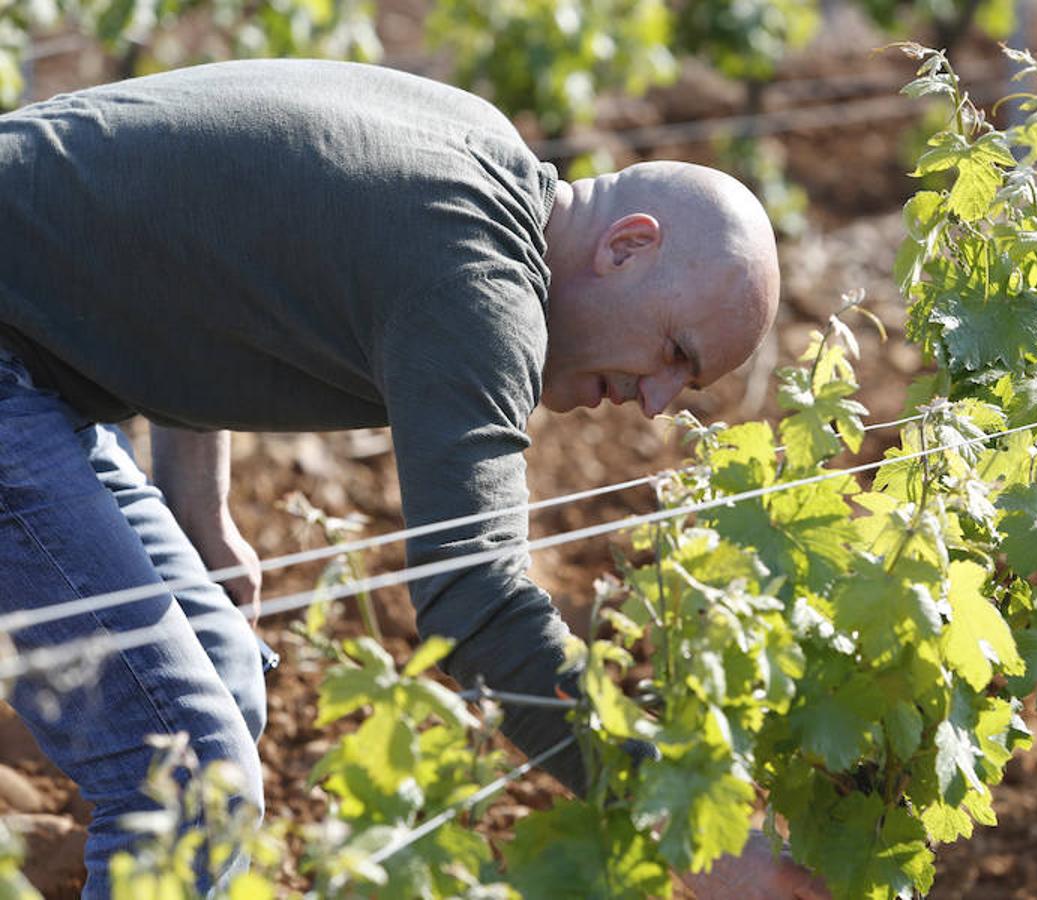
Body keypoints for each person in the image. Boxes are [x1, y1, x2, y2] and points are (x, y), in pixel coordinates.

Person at [0, 59, 825, 897]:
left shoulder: (480, 147)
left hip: (36, 353)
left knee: (222, 673)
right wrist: (696, 837)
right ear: (628, 246)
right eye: (675, 354)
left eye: (686, 386)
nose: (655, 402)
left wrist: (200, 506)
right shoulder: (481, 287)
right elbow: (474, 599)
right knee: (186, 785)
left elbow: (194, 231)